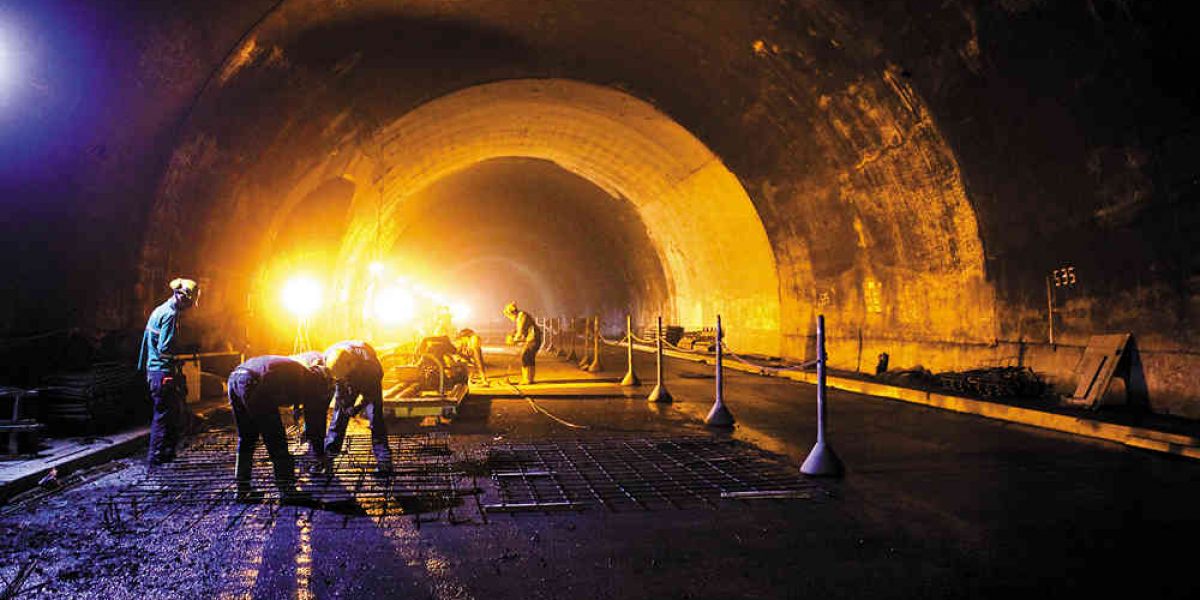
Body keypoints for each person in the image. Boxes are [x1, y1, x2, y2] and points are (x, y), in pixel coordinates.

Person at [226, 355, 330, 502]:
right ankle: (287, 490)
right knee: (277, 439)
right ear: (321, 381)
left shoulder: (299, 373)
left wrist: (297, 408)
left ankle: (242, 489)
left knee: (247, 438)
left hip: (235, 379)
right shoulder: (312, 381)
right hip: (254, 384)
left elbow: (289, 393)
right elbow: (313, 420)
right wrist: (320, 453)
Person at [136, 278, 199, 465]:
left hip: (155, 371)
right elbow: (164, 348)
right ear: (183, 297)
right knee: (164, 416)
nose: (189, 307)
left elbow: (146, 346)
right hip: (163, 373)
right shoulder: (170, 314)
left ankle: (166, 455)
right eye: (189, 302)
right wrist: (182, 351)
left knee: (170, 415)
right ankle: (156, 459)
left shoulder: (159, 310)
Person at [322, 340, 393, 474]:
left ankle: (384, 461)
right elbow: (337, 388)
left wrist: (357, 407)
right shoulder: (329, 358)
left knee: (375, 417)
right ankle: (328, 457)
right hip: (344, 374)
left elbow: (370, 396)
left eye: (346, 378)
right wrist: (344, 404)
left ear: (352, 365)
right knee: (339, 416)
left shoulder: (371, 368)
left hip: (366, 377)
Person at [502, 302, 542, 385]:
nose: (509, 318)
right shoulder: (520, 317)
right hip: (532, 339)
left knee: (525, 356)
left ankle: (527, 379)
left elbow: (520, 333)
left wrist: (513, 340)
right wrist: (513, 336)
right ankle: (529, 379)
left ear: (512, 313)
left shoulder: (521, 316)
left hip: (533, 339)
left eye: (508, 316)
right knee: (529, 358)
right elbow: (517, 331)